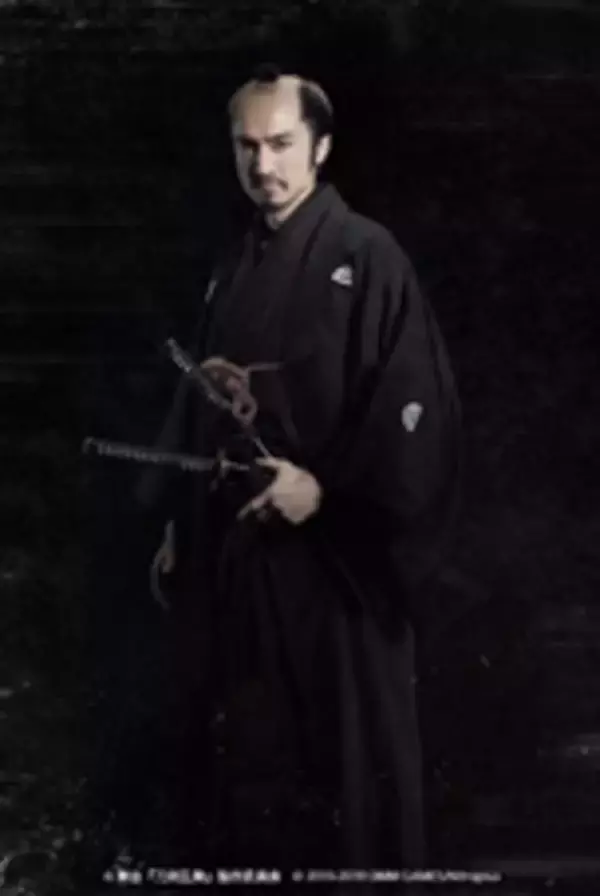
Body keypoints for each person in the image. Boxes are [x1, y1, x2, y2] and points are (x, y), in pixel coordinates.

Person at [134, 64, 462, 876]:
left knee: (344, 780)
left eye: (281, 143)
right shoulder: (232, 266)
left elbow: (414, 406)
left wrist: (325, 490)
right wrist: (180, 519)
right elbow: (202, 399)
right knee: (251, 779)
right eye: (247, 147)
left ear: (320, 147)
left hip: (337, 564)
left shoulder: (367, 253)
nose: (264, 165)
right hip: (243, 558)